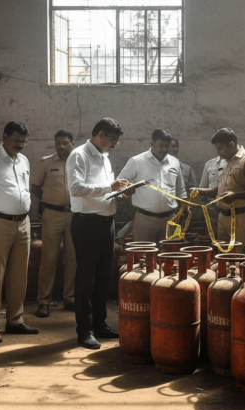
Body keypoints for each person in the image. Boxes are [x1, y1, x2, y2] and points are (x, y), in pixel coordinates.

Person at [66, 118, 130, 350]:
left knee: (103, 276)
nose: (114, 145)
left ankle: (100, 323)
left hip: (106, 222)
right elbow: (75, 188)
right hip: (87, 224)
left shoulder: (103, 156)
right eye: (113, 140)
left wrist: (119, 193)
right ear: (101, 135)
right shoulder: (79, 155)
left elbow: (103, 190)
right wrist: (108, 188)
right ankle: (85, 330)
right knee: (86, 278)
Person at [0, 121, 39, 343]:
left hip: (23, 222)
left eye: (23, 141)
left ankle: (15, 320)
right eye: (16, 140)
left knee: (20, 273)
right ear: (4, 137)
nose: (20, 145)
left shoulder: (24, 160)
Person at [191, 128, 245, 250]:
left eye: (220, 148)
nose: (217, 152)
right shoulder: (227, 160)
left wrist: (235, 195)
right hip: (223, 217)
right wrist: (208, 192)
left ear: (231, 144)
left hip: (242, 218)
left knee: (241, 257)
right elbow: (226, 188)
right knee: (223, 257)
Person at [30, 129, 77, 317]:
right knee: (48, 259)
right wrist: (48, 201)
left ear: (72, 143)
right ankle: (43, 302)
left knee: (73, 259)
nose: (61, 146)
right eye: (58, 143)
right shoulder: (46, 162)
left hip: (74, 215)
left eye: (65, 142)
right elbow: (35, 187)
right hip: (52, 215)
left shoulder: (79, 162)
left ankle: (70, 298)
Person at [117, 128, 186, 243]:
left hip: (170, 219)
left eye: (167, 146)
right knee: (144, 255)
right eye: (161, 145)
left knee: (168, 256)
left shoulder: (174, 162)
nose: (164, 149)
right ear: (151, 143)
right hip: (145, 219)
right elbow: (119, 184)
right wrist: (127, 189)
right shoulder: (137, 161)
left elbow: (180, 190)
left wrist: (182, 212)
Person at [199, 154, 226, 227]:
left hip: (230, 207)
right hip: (212, 207)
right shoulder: (210, 164)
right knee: (213, 234)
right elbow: (203, 187)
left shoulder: (237, 163)